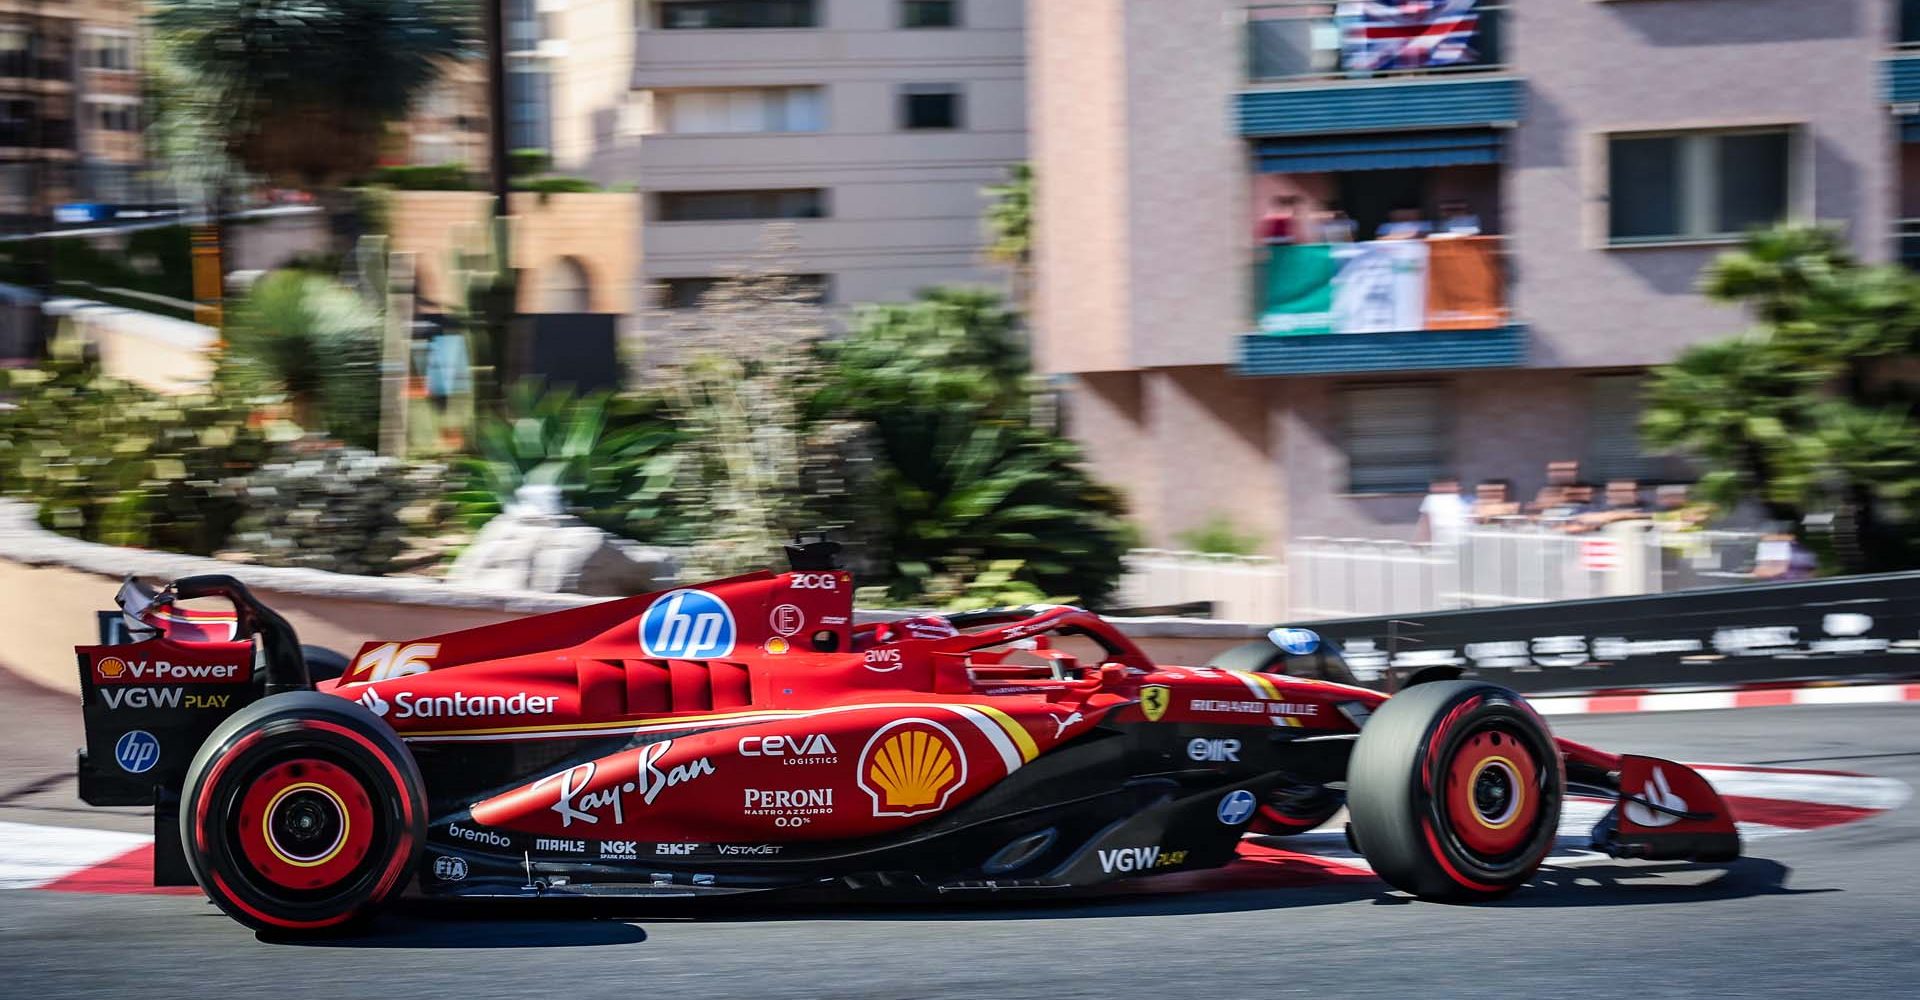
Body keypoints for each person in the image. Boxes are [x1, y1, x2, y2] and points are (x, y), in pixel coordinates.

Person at [1417, 476, 1469, 547]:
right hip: (1441, 542)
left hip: (1461, 541)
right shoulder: (1431, 499)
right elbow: (1425, 523)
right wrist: (1421, 540)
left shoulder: (1463, 499)